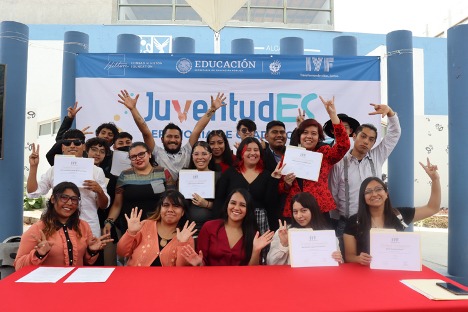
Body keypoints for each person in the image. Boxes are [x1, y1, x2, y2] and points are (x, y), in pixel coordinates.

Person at [329, 104, 401, 252]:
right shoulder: (338, 163)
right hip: (346, 223)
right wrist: (341, 219)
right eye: (363, 136)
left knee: (377, 261)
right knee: (347, 264)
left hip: (376, 223)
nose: (366, 141)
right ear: (354, 136)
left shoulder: (377, 156)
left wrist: (390, 113)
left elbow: (394, 134)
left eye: (371, 139)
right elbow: (333, 195)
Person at [343, 158, 441, 265]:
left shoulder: (400, 215)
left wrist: (435, 180)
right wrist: (358, 259)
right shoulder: (354, 221)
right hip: (366, 276)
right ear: (363, 198)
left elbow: (432, 208)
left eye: (378, 189)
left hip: (395, 272)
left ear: (386, 194)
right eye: (368, 191)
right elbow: (349, 256)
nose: (374, 194)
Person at [118, 90, 226, 182]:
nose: (173, 140)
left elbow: (197, 130)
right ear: (162, 139)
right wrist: (133, 109)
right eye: (169, 136)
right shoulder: (156, 152)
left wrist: (212, 109)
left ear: (181, 139)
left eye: (176, 137)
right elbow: (145, 132)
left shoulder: (188, 150)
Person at [279, 96, 350, 224]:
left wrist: (333, 115)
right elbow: (279, 188)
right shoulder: (289, 155)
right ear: (299, 136)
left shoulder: (325, 153)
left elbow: (344, 145)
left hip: (320, 210)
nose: (309, 136)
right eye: (305, 132)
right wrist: (286, 184)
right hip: (295, 212)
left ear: (319, 137)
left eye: (314, 133)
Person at [27, 130, 110, 239]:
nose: (72, 146)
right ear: (62, 148)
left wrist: (99, 191)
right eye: (67, 143)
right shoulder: (53, 170)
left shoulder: (97, 171)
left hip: (88, 226)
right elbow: (33, 193)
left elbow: (104, 205)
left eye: (77, 143)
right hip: (57, 226)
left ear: (84, 147)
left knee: (90, 255)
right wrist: (33, 167)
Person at [14, 182, 112, 270]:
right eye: (64, 197)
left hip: (74, 284)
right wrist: (38, 254)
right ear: (53, 199)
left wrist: (91, 251)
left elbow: (88, 261)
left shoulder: (83, 226)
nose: (69, 203)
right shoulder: (37, 229)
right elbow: (18, 266)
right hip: (47, 286)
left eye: (74, 199)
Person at [181, 189, 274, 266]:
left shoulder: (253, 234)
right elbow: (202, 261)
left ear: (248, 210)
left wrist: (256, 251)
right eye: (233, 203)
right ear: (227, 205)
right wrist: (198, 263)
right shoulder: (209, 227)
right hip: (212, 282)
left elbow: (252, 271)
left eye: (242, 205)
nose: (236, 208)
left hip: (241, 283)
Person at [214, 137, 285, 238]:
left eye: (256, 150)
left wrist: (274, 179)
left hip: (259, 223)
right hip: (233, 219)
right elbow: (219, 199)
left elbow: (270, 203)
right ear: (241, 153)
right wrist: (218, 222)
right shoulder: (230, 173)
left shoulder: (267, 175)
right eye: (248, 149)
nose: (253, 153)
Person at [104, 142, 176, 236]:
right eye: (133, 156)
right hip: (131, 228)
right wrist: (109, 221)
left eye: (141, 154)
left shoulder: (163, 172)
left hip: (158, 226)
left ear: (149, 154)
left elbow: (173, 201)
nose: (138, 158)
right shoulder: (124, 175)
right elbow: (117, 204)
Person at [116, 190, 196, 267]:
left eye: (176, 206)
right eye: (166, 205)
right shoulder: (144, 225)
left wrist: (182, 244)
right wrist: (130, 233)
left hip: (168, 281)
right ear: (160, 209)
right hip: (136, 279)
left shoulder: (187, 237)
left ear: (182, 212)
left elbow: (182, 270)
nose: (170, 210)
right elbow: (121, 252)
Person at [267, 192, 342, 265]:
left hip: (319, 276)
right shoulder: (284, 232)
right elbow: (271, 263)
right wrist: (284, 244)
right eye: (295, 212)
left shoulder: (327, 234)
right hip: (291, 276)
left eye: (303, 211)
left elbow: (339, 263)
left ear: (313, 211)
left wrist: (338, 259)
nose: (299, 216)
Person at [186, 141, 222, 233]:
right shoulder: (185, 176)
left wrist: (206, 204)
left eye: (204, 154)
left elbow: (224, 204)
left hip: (211, 228)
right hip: (188, 228)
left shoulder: (218, 177)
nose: (200, 158)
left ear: (210, 156)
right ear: (192, 156)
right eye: (196, 154)